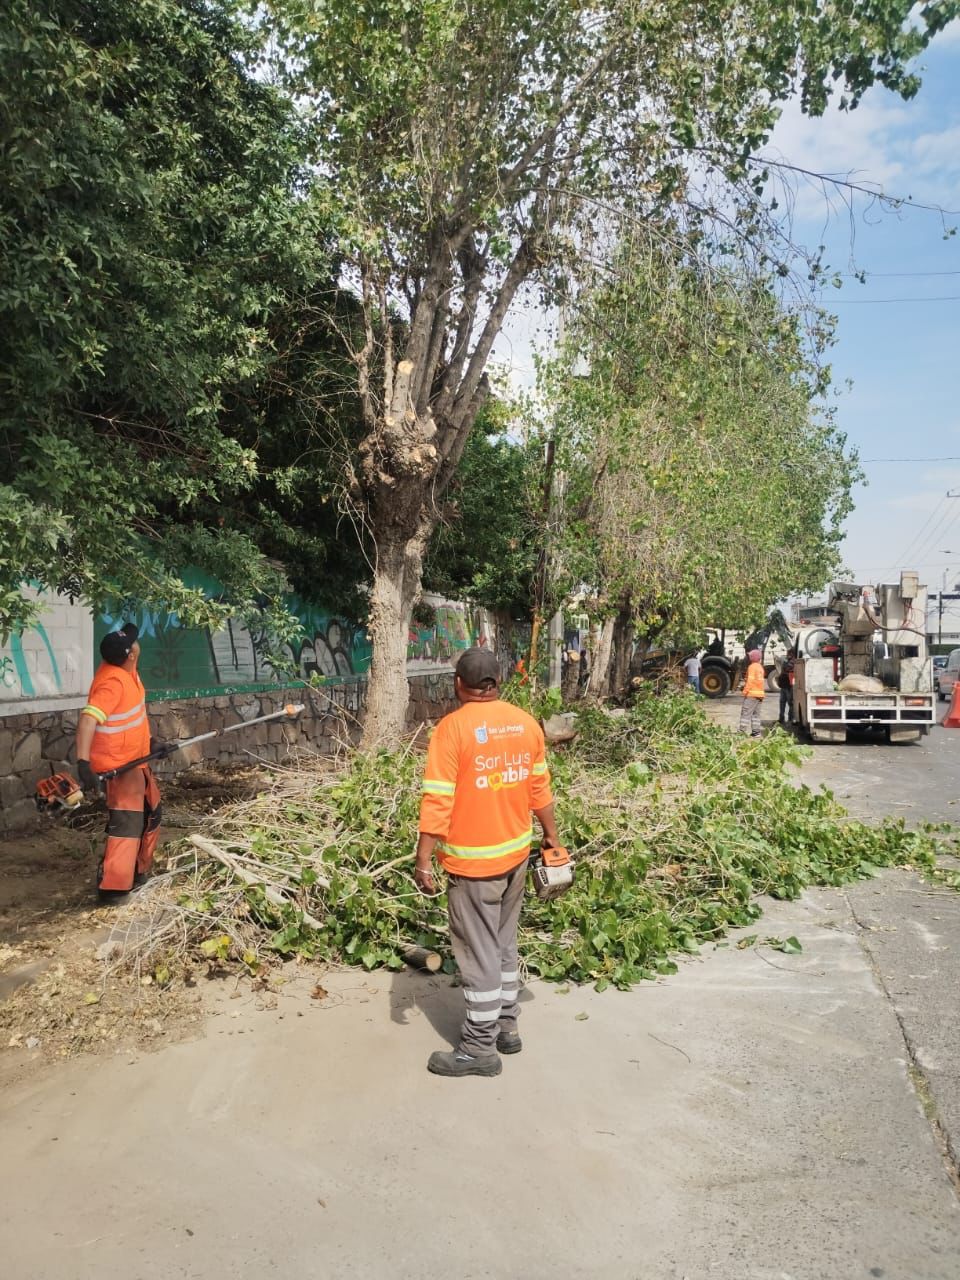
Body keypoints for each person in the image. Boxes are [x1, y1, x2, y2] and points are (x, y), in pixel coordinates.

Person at [415, 647, 561, 1078]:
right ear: (498, 682)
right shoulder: (525, 724)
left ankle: (479, 1049)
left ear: (458, 685)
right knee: (502, 944)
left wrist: (424, 859)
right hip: (516, 856)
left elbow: (438, 799)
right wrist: (552, 837)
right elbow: (540, 790)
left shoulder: (451, 729)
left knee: (478, 954)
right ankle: (506, 1027)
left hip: (474, 867)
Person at [75, 623, 163, 899]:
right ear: (130, 654)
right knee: (127, 825)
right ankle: (114, 889)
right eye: (134, 643)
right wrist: (83, 762)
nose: (138, 644)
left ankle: (138, 871)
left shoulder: (128, 673)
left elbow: (130, 719)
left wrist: (150, 745)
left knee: (151, 814)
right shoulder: (112, 682)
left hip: (136, 760)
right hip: (119, 767)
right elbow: (89, 718)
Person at [738, 647, 765, 737]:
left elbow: (750, 681)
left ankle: (741, 731)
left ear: (753, 657)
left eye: (750, 656)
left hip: (752, 694)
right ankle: (756, 732)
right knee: (756, 715)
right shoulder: (760, 667)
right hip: (760, 695)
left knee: (746, 712)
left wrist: (745, 691)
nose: (749, 657)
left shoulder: (752, 667)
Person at [777, 649, 796, 725]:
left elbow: (788, 668)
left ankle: (790, 719)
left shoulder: (793, 661)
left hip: (789, 686)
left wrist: (784, 664)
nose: (787, 655)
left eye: (788, 653)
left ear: (792, 654)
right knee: (782, 702)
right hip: (784, 685)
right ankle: (781, 718)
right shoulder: (788, 660)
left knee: (790, 703)